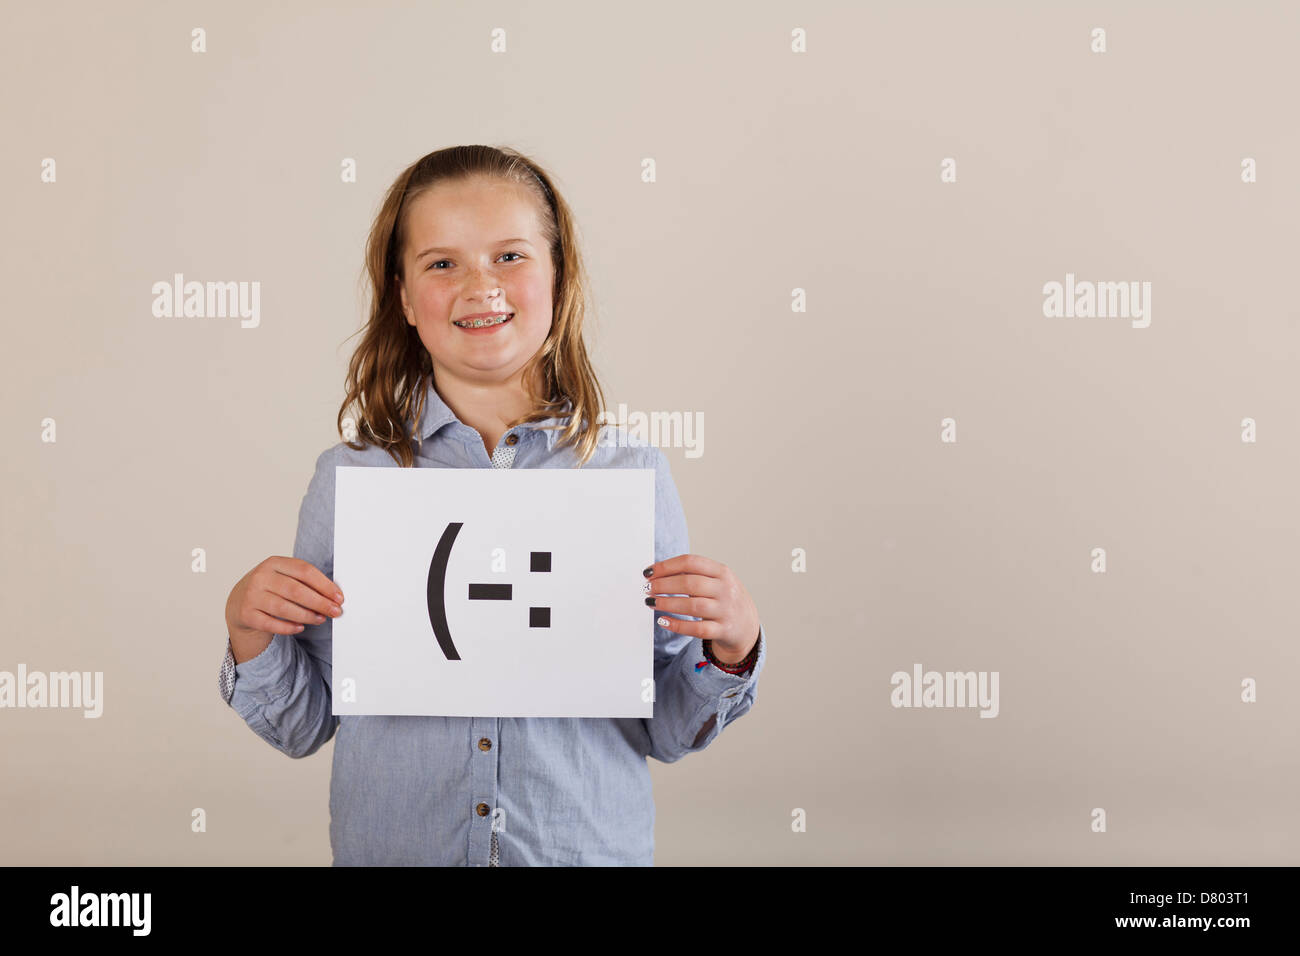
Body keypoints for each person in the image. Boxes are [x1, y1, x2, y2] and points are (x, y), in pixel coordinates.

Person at [218, 144, 768, 865]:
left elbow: (663, 727)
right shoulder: (353, 478)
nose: (481, 285)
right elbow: (307, 723)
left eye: (510, 256)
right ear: (406, 299)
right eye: (442, 263)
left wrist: (732, 649)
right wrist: (250, 630)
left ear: (558, 276)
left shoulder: (630, 473)